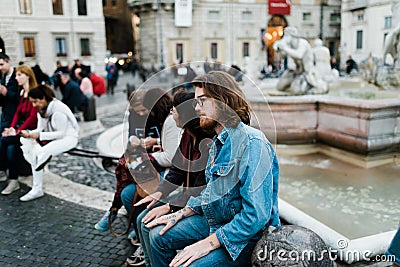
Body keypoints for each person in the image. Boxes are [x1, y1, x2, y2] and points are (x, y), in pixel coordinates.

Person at [146, 71, 281, 267]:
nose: (196, 108)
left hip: (247, 238)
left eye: (202, 101)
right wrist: (181, 212)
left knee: (189, 265)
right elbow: (213, 193)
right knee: (157, 235)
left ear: (223, 100)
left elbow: (255, 217)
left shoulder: (252, 143)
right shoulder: (219, 143)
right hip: (218, 221)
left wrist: (207, 244)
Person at [126, 89, 212, 266]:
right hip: (188, 199)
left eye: (174, 111)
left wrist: (169, 207)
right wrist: (159, 192)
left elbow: (199, 190)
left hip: (200, 207)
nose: (171, 115)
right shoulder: (188, 135)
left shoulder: (208, 142)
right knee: (143, 219)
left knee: (155, 231)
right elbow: (177, 170)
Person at [94, 88, 181, 239]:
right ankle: (115, 210)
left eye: (144, 110)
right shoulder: (139, 115)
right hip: (150, 155)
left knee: (125, 172)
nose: (141, 114)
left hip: (156, 160)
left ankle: (115, 210)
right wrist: (134, 141)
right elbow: (133, 135)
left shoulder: (166, 119)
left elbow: (171, 152)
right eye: (138, 111)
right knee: (124, 169)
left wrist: (153, 145)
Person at [19, 84, 79, 201]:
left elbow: (61, 133)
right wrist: (29, 133)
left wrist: (39, 135)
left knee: (41, 154)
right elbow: (40, 129)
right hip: (57, 138)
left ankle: (37, 189)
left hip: (69, 138)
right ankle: (37, 186)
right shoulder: (42, 110)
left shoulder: (58, 110)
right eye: (32, 102)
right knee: (34, 155)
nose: (34, 105)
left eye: (35, 102)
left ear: (44, 99)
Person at [0, 64, 38, 195]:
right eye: (16, 75)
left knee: (4, 141)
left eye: (19, 75)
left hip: (31, 131)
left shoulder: (35, 92)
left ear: (27, 76)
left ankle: (4, 172)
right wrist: (12, 127)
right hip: (21, 129)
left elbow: (32, 117)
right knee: (10, 147)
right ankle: (13, 180)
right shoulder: (22, 92)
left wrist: (16, 131)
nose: (16, 78)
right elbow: (17, 113)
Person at [273, 27, 328, 95]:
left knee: (296, 91)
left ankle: (309, 86)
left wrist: (284, 48)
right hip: (295, 71)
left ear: (292, 36)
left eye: (287, 35)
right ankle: (295, 84)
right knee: (279, 87)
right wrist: (279, 49)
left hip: (306, 72)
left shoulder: (303, 43)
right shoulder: (289, 46)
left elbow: (299, 55)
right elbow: (283, 56)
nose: (285, 38)